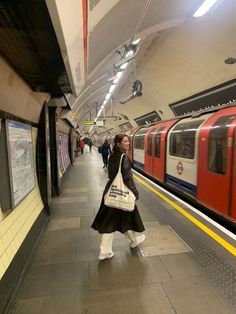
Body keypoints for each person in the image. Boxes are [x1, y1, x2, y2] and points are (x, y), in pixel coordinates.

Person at [91, 133, 145, 260]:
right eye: (125, 141)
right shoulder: (123, 157)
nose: (128, 143)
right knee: (111, 221)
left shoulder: (113, 156)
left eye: (128, 141)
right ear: (119, 144)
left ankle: (134, 240)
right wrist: (135, 193)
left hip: (111, 190)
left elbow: (111, 175)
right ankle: (105, 251)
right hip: (121, 192)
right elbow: (127, 178)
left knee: (122, 217)